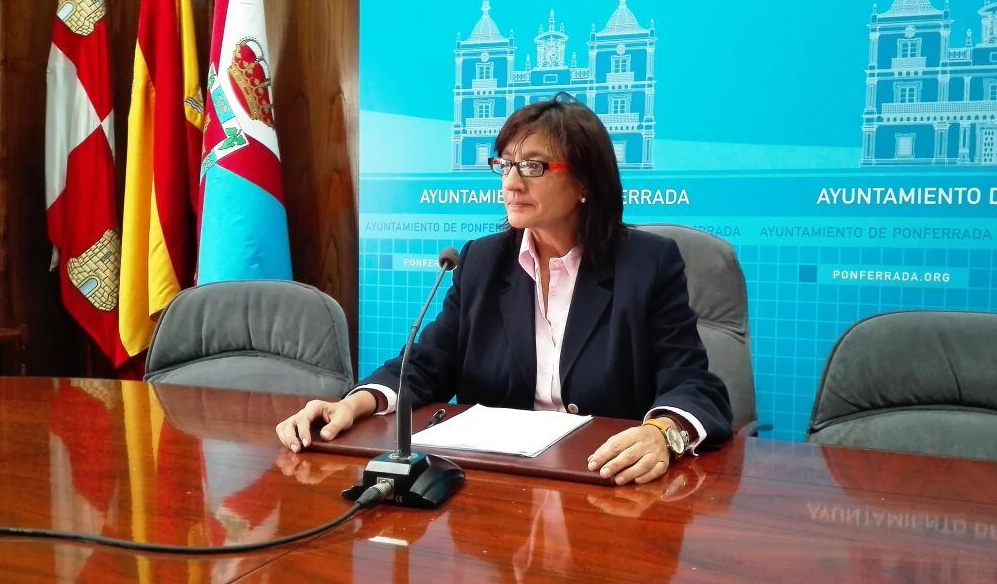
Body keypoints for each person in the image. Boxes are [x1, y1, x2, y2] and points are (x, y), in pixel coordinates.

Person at [277, 92, 733, 485]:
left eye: (533, 167)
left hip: (604, 481)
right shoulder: (483, 261)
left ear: (585, 183)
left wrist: (663, 433)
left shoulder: (647, 265)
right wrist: (357, 401)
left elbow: (692, 383)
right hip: (498, 483)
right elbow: (427, 365)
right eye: (506, 164)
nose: (511, 184)